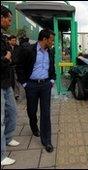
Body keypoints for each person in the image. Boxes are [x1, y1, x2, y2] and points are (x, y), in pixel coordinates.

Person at [16, 29, 56, 153]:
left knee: (46, 112)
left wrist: (52, 80)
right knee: (32, 110)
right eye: (51, 39)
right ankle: (34, 127)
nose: (52, 42)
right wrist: (24, 83)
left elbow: (52, 66)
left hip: (45, 86)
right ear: (44, 39)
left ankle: (47, 141)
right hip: (31, 85)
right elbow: (19, 66)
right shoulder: (29, 50)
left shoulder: (50, 51)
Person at [1, 5, 20, 166]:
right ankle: (1, 155)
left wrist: (8, 56)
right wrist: (6, 57)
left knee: (13, 112)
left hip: (6, 83)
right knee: (0, 119)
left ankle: (7, 138)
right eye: (8, 19)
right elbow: (6, 57)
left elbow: (10, 55)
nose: (9, 22)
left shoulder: (3, 37)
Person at [8, 35, 20, 100]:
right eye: (13, 40)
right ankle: (10, 94)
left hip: (15, 67)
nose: (14, 42)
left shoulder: (18, 47)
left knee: (16, 81)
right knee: (10, 81)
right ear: (9, 41)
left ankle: (16, 94)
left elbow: (19, 57)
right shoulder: (7, 47)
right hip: (8, 67)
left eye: (15, 40)